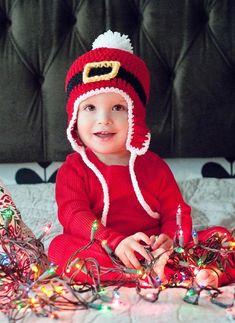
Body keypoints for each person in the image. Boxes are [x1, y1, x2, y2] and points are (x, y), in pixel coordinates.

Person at [48, 30, 234, 288]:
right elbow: (73, 214)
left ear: (135, 115)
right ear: (74, 117)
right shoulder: (74, 170)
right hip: (105, 249)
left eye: (118, 107)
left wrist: (169, 240)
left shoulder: (154, 166)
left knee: (221, 237)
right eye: (90, 107)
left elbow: (176, 211)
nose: (104, 119)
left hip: (155, 251)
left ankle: (200, 273)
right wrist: (113, 241)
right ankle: (132, 276)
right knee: (59, 247)